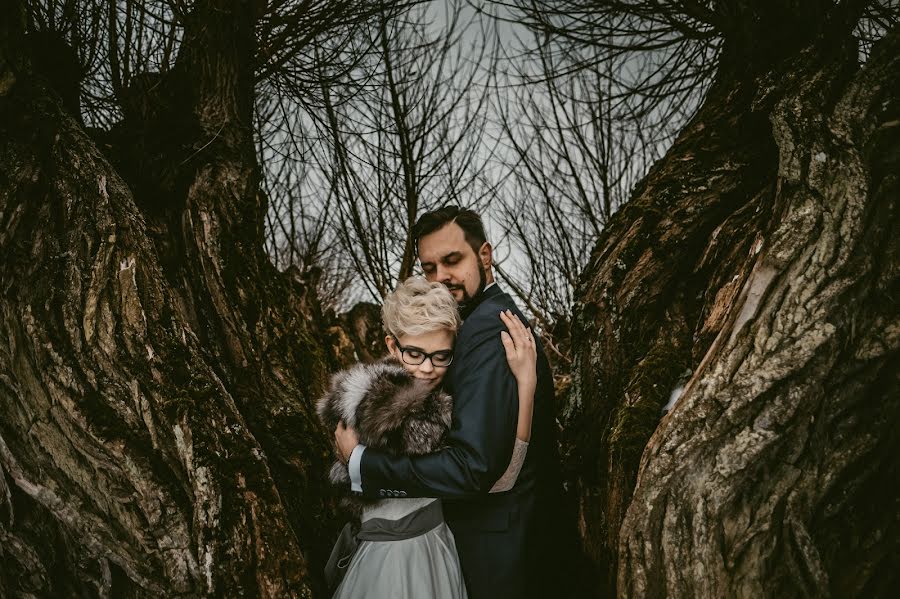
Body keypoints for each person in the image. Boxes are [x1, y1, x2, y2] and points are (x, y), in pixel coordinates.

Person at [335, 206, 562, 599]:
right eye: (429, 267)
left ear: (485, 255)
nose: (441, 277)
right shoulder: (462, 328)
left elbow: (477, 466)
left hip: (491, 549)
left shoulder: (488, 330)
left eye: (452, 260)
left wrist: (361, 463)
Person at [319, 276, 537, 598]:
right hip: (393, 561)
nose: (427, 369)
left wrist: (526, 385)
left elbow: (499, 476)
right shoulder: (385, 407)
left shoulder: (431, 399)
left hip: (435, 548)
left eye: (441, 356)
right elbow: (489, 476)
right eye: (415, 353)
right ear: (392, 345)